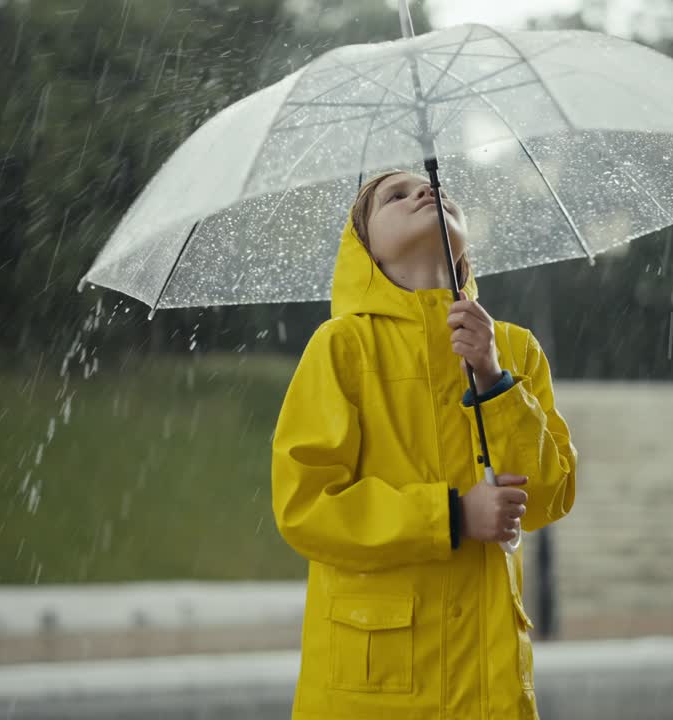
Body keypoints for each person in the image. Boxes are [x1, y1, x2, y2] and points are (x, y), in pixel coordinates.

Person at [270, 170, 578, 719]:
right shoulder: (342, 347)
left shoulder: (512, 348)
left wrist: (493, 380)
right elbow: (306, 506)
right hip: (376, 692)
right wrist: (453, 515)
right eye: (395, 195)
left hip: (489, 690)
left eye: (434, 188)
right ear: (367, 251)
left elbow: (551, 494)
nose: (424, 192)